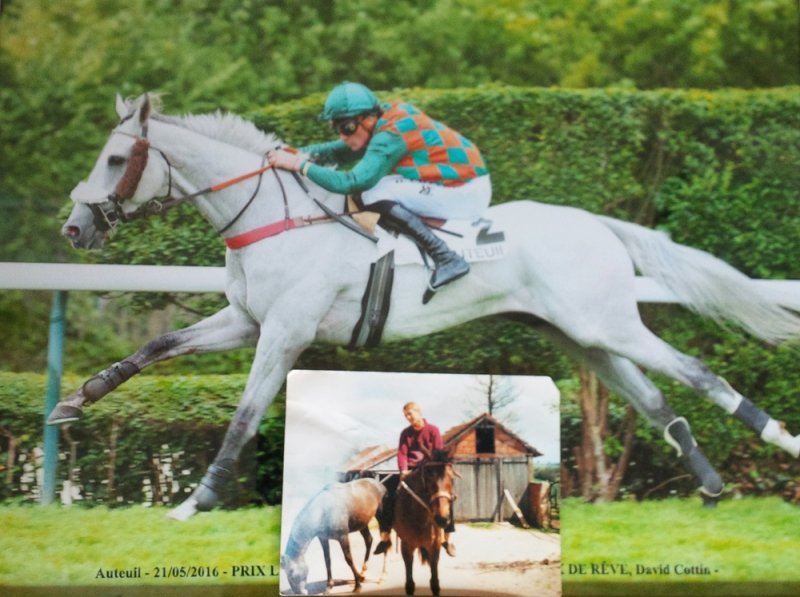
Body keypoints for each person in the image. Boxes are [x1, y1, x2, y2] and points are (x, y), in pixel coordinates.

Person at [266, 81, 492, 293]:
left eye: (346, 128)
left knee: (373, 191)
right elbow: (338, 151)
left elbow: (352, 181)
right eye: (337, 128)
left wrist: (298, 165)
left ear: (367, 119)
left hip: (466, 193)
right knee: (377, 190)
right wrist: (293, 153)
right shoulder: (385, 120)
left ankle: (446, 257)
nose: (343, 136)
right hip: (460, 183)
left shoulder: (391, 134)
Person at [373, 401, 457, 557]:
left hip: (429, 469)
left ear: (419, 412)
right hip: (410, 471)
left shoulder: (433, 430)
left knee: (445, 496)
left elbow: (438, 452)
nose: (408, 417)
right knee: (387, 495)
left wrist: (431, 467)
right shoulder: (405, 433)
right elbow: (402, 453)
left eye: (410, 414)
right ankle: (385, 536)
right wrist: (403, 470)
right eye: (406, 415)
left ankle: (447, 539)